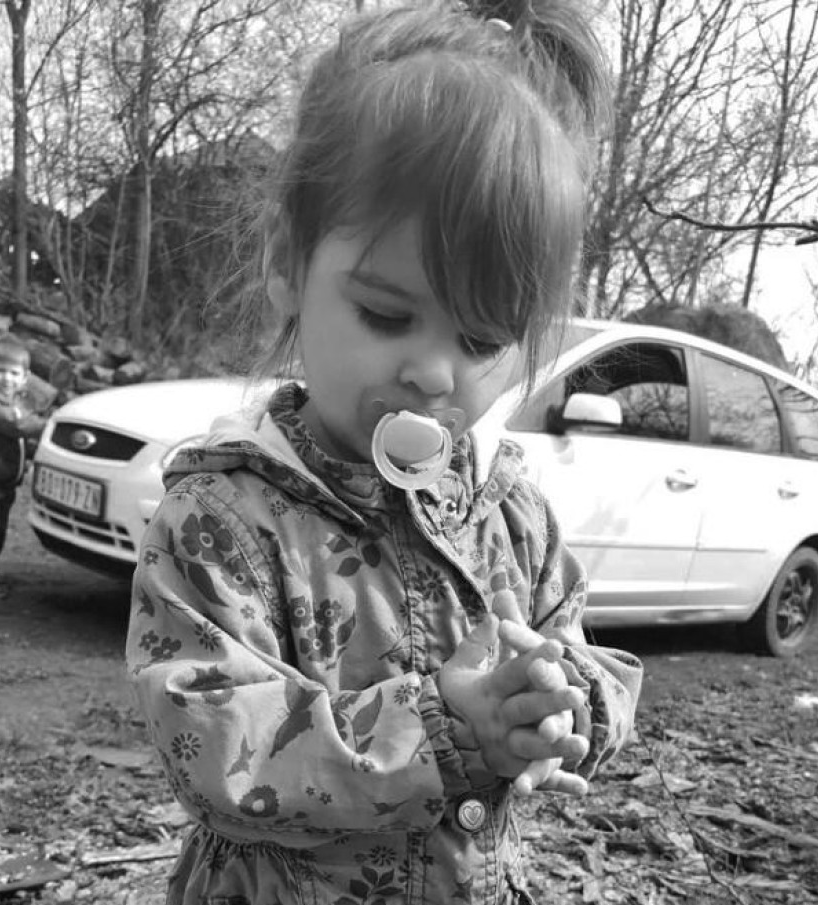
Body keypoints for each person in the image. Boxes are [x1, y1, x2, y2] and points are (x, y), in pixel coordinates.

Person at [126, 2, 643, 903]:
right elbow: (214, 744)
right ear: (287, 263)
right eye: (386, 314)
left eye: (481, 339)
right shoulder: (223, 520)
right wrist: (442, 726)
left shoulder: (508, 512)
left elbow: (579, 646)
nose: (434, 373)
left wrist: (561, 705)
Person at [0, 332, 47, 599]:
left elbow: (22, 439)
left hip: (5, 480)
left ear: (25, 377)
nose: (6, 378)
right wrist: (51, 425)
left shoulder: (17, 403)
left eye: (13, 373)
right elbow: (16, 426)